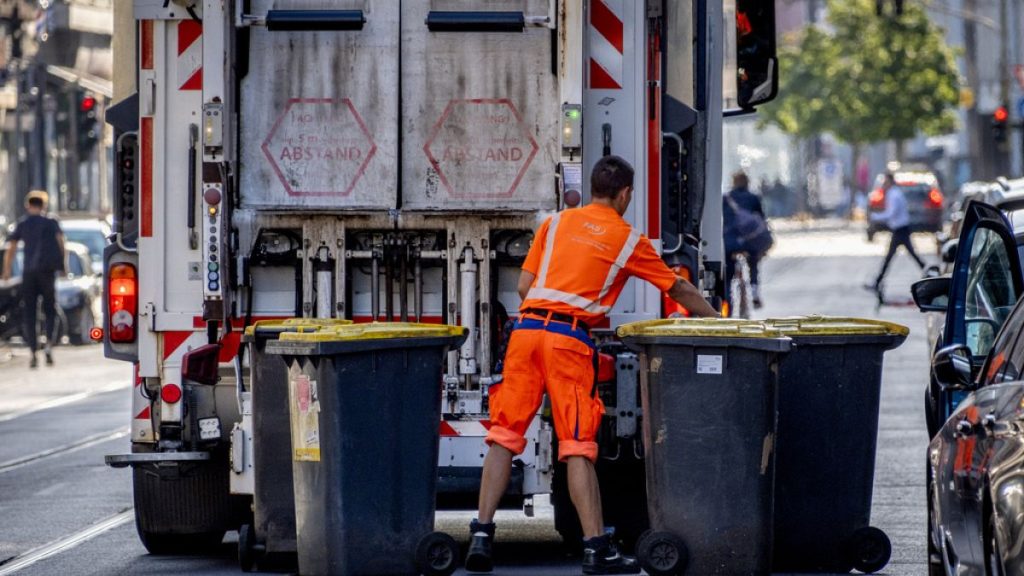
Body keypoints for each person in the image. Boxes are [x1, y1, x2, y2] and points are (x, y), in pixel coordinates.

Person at [465, 156, 718, 575]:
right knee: (578, 445)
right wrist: (721, 322)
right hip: (567, 341)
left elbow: (526, 286)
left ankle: (481, 534)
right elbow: (680, 288)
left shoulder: (555, 224)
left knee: (504, 435)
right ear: (625, 195)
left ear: (592, 190)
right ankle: (596, 549)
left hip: (526, 333)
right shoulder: (626, 239)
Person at [1, 190, 66, 368]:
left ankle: (33, 351)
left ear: (28, 205)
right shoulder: (51, 222)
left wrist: (6, 270)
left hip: (29, 273)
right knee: (50, 309)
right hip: (47, 272)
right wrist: (63, 267)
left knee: (30, 312)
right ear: (44, 205)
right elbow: (61, 243)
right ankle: (49, 346)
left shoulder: (23, 224)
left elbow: (11, 247)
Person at [868, 173, 926, 294]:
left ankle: (877, 282)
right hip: (900, 229)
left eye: (885, 182)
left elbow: (891, 213)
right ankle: (928, 273)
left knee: (892, 257)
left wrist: (875, 216)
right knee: (906, 256)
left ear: (890, 182)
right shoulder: (893, 193)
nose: (883, 185)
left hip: (901, 229)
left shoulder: (894, 195)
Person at [724, 170, 767, 308]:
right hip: (750, 241)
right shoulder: (754, 198)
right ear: (747, 182)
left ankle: (727, 300)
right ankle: (754, 292)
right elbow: (761, 219)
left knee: (728, 272)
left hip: (730, 241)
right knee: (753, 263)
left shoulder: (726, 198)